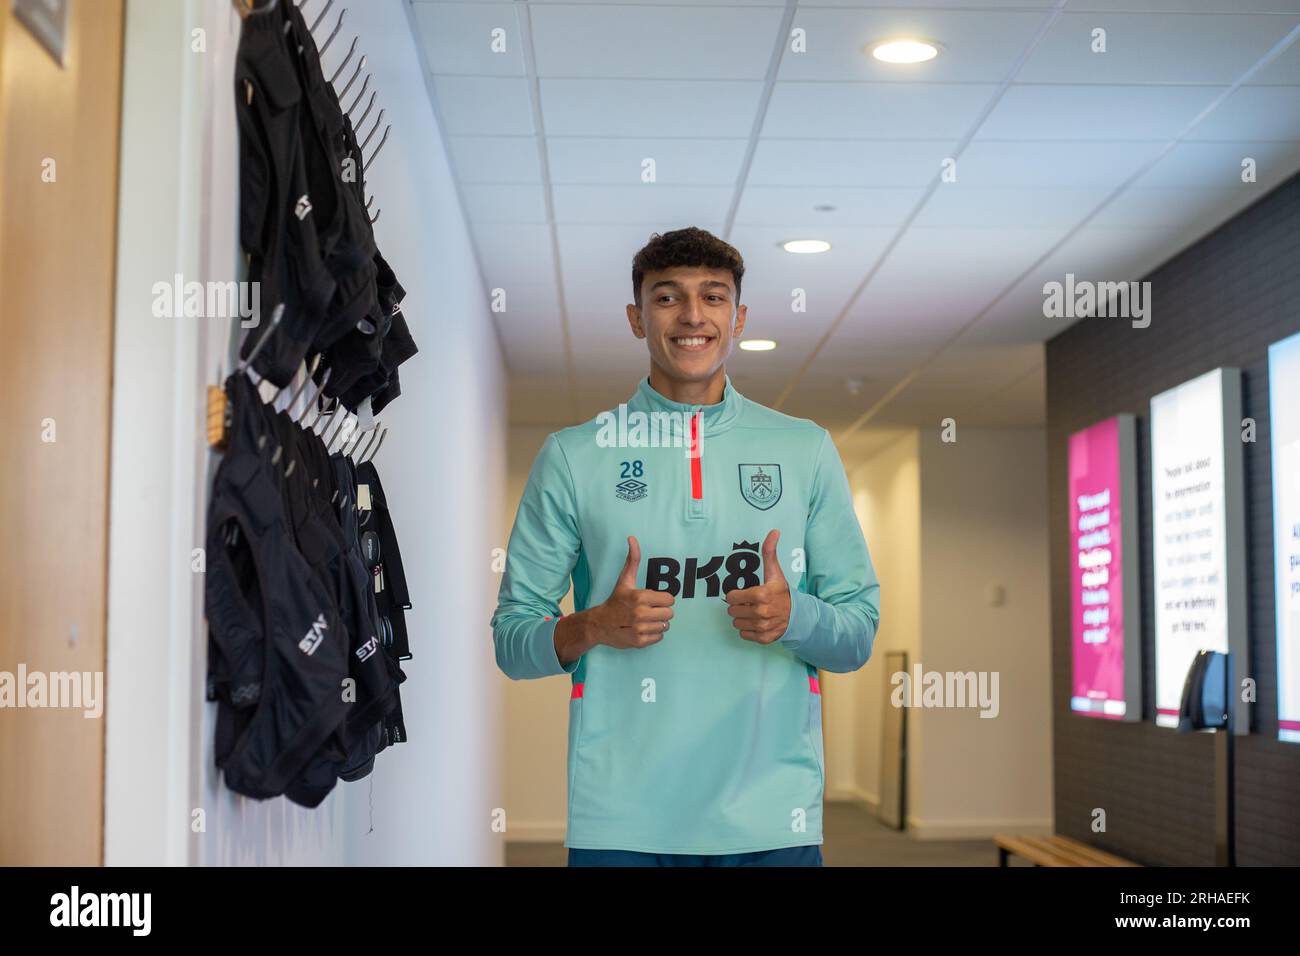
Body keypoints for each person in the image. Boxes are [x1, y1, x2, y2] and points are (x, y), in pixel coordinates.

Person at [491, 227, 881, 867]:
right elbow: (511, 642)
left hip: (771, 814)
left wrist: (796, 617)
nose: (694, 315)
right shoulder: (573, 456)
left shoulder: (804, 449)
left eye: (715, 297)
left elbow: (858, 634)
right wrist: (590, 625)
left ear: (739, 317)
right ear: (636, 318)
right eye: (668, 298)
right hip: (621, 818)